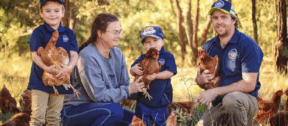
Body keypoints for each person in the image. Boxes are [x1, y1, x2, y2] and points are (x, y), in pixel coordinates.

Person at [61, 13, 145, 126]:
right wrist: (128, 90)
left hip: (104, 109)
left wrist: (142, 83)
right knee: (115, 111)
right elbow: (98, 96)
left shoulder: (118, 54)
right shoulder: (87, 56)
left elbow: (125, 86)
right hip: (73, 111)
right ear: (100, 33)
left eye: (120, 32)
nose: (119, 36)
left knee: (136, 120)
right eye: (115, 32)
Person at [195, 0, 263, 126]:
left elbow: (249, 84)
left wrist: (216, 92)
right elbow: (203, 82)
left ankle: (249, 122)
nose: (219, 21)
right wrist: (200, 80)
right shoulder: (209, 46)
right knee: (201, 125)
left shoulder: (247, 45)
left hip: (245, 100)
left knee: (231, 100)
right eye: (215, 18)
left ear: (233, 20)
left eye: (224, 17)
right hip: (220, 104)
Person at [27, 0, 79, 125]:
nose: (52, 14)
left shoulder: (68, 33)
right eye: (48, 11)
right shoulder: (38, 32)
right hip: (40, 80)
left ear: (63, 13)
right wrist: (47, 68)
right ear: (41, 13)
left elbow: (74, 54)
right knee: (38, 117)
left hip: (60, 79)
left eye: (56, 10)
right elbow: (35, 55)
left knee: (54, 117)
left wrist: (69, 68)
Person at [130, 26, 177, 126]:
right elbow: (132, 70)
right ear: (143, 45)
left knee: (162, 122)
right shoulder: (143, 58)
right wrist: (133, 69)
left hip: (161, 100)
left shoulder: (167, 56)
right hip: (143, 100)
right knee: (142, 122)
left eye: (155, 40)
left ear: (163, 42)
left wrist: (156, 76)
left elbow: (170, 72)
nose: (152, 44)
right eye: (147, 42)